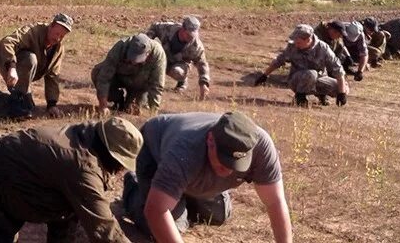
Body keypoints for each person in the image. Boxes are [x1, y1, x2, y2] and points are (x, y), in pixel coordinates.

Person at [0, 117, 143, 243]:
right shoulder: (80, 165)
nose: (120, 172)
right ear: (112, 156)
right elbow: (105, 231)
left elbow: (65, 218)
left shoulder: (83, 148)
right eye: (122, 165)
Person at [121, 112, 292, 243]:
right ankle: (134, 186)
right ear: (210, 140)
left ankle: (179, 193)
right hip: (155, 152)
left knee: (219, 215)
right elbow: (156, 211)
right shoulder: (185, 149)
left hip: (190, 172)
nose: (229, 171)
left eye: (236, 165)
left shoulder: (260, 145)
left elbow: (275, 202)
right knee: (166, 227)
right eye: (224, 162)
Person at [0, 13, 73, 118]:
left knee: (26, 108)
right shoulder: (32, 31)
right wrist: (12, 67)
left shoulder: (58, 49)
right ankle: (12, 98)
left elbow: (53, 76)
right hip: (3, 57)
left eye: (62, 36)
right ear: (51, 26)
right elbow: (8, 42)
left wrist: (52, 104)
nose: (58, 38)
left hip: (23, 67)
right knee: (21, 109)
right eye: (57, 33)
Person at [254, 24, 348, 107]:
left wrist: (342, 94)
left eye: (298, 42)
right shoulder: (292, 47)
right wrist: (265, 75)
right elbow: (278, 61)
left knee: (343, 87)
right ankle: (300, 97)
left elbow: (338, 69)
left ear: (308, 40)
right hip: (296, 80)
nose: (296, 44)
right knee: (311, 74)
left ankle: (321, 95)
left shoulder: (323, 48)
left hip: (319, 79)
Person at [91, 33, 166, 114]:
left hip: (139, 86)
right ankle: (118, 99)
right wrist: (103, 106)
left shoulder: (158, 54)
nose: (133, 62)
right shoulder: (120, 47)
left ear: (148, 53)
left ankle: (131, 101)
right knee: (97, 72)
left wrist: (153, 112)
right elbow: (104, 77)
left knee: (131, 110)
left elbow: (156, 86)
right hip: (120, 77)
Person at [146, 16, 211, 98]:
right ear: (182, 29)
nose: (191, 38)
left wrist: (204, 84)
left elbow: (202, 64)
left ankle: (182, 81)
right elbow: (154, 27)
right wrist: (148, 42)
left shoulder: (196, 46)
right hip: (163, 56)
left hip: (180, 64)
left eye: (193, 35)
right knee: (146, 59)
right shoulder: (168, 28)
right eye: (188, 35)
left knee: (177, 72)